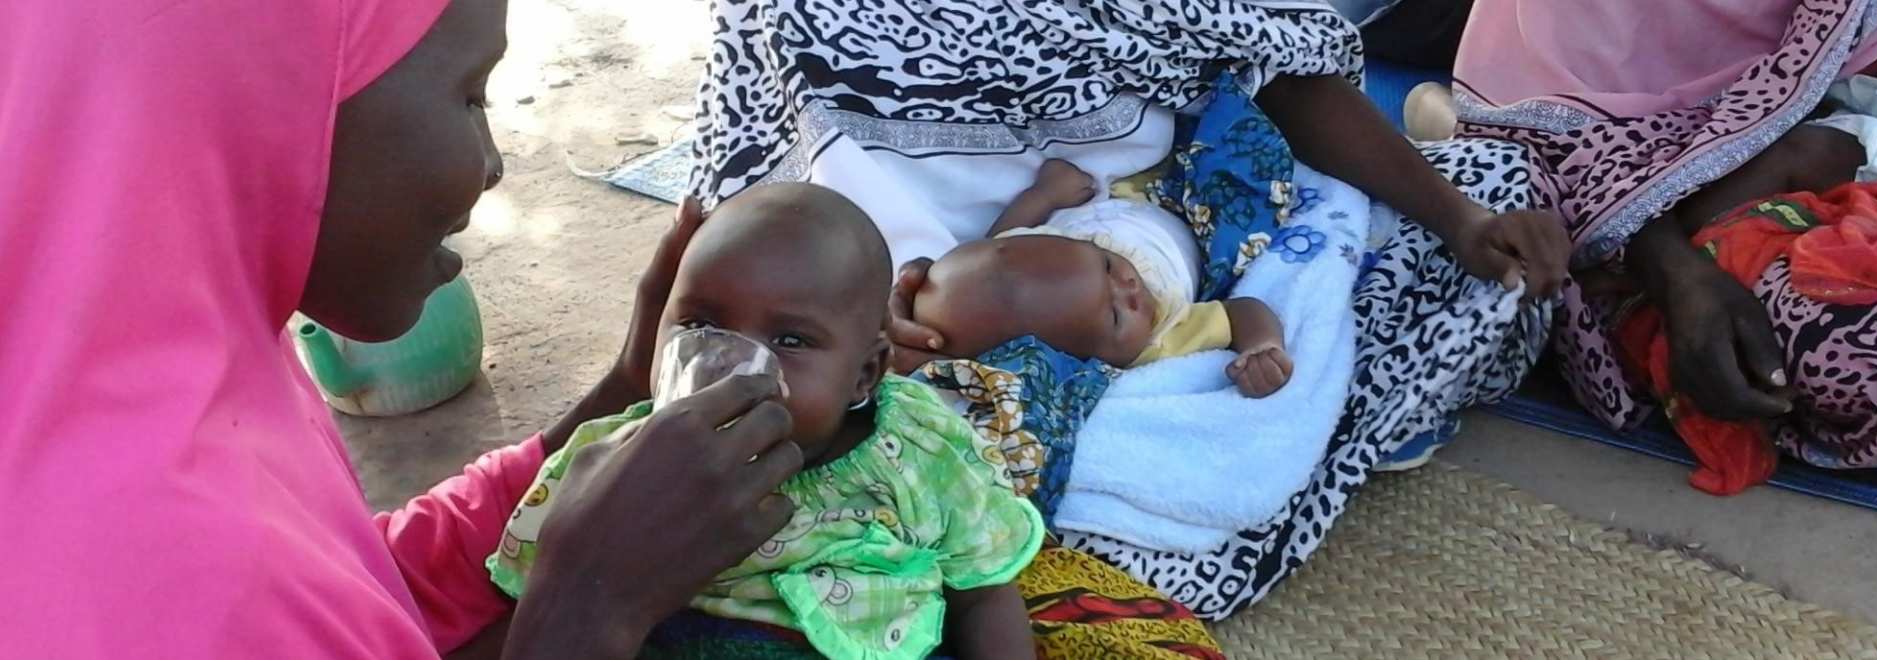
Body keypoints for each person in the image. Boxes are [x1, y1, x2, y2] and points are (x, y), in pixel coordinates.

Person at [684, 0, 1569, 619]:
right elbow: (735, 177)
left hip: (1160, 211)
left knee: (1491, 215)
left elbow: (1278, 75)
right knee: (855, 465)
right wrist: (849, 312)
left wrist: (1459, 221)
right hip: (897, 300)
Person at [0, 1, 807, 657]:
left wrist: (615, 401)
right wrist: (585, 610)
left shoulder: (172, 364)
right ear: (274, 101)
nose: (492, 163)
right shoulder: (167, 578)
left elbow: (355, 592)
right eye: (470, 93)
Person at [485, 183, 1043, 660]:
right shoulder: (610, 471)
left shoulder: (921, 453)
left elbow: (983, 590)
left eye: (791, 340)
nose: (733, 367)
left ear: (864, 373)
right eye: (700, 324)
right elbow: (539, 608)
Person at [1454, 0, 1877, 477]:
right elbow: (1537, 136)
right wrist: (1675, 274)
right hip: (1605, 205)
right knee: (1871, 369)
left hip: (1803, 163)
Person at [913, 159, 1296, 398]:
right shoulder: (1162, 336)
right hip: (1186, 224)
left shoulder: (1058, 259)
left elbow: (1002, 241)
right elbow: (1241, 311)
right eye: (1115, 315)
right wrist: (1263, 345)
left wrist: (1044, 197)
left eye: (1109, 267)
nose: (1129, 284)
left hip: (1106, 210)